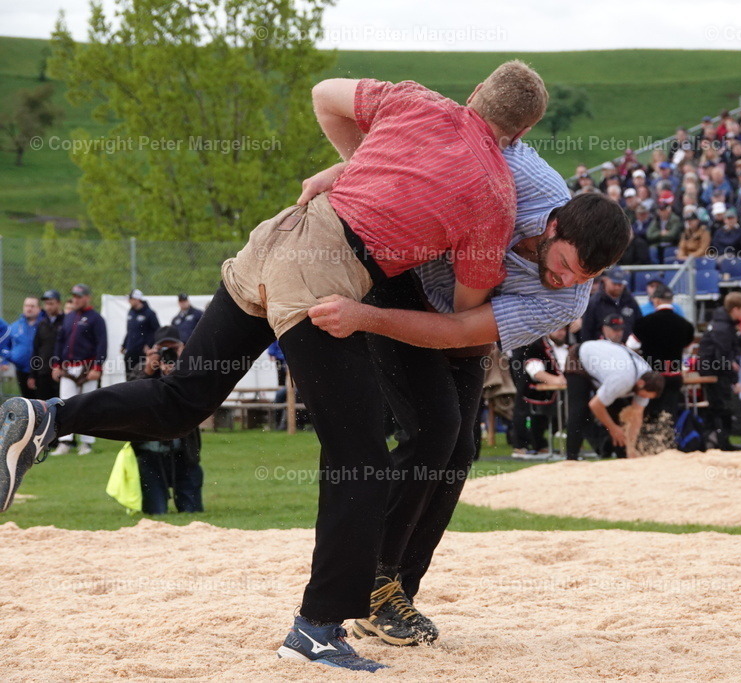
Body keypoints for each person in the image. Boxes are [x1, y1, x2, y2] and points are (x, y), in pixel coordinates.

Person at [0, 62, 552, 672]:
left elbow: (324, 95)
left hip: (278, 235)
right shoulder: (496, 192)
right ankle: (317, 627)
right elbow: (461, 313)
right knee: (360, 459)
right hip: (324, 272)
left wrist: (364, 165)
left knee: (184, 400)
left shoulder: (416, 102)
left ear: (475, 93)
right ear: (520, 132)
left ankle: (47, 417)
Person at [322, 142, 631, 645]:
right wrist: (339, 173)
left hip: (462, 321)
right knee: (434, 429)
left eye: (587, 277)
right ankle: (370, 579)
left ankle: (394, 590)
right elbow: (445, 141)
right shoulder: (530, 179)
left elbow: (460, 331)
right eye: (568, 263)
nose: (569, 280)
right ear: (553, 225)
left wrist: (374, 321)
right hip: (400, 281)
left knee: (461, 449)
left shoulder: (570, 295)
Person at [130, 326, 203, 514]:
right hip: (150, 452)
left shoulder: (191, 369)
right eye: (164, 350)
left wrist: (180, 370)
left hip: (183, 451)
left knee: (191, 511)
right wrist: (149, 370)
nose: (168, 354)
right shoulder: (142, 369)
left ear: (183, 348)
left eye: (173, 348)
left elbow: (200, 396)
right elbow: (130, 399)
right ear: (154, 351)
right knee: (156, 511)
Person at [564, 339, 663, 460]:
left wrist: (632, 448)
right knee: (579, 409)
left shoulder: (646, 377)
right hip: (579, 358)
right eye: (644, 395)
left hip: (605, 365)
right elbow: (595, 405)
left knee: (619, 414)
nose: (644, 398)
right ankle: (571, 457)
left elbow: (636, 415)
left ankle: (625, 455)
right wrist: (613, 428)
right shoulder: (622, 380)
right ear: (641, 383)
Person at [51, 284, 107, 456]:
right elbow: (60, 342)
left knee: (87, 405)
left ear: (87, 297)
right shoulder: (68, 317)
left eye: (79, 296)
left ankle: (86, 443)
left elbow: (102, 344)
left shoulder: (96, 318)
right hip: (68, 367)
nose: (75, 299)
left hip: (87, 367)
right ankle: (65, 442)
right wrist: (56, 364)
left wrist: (97, 367)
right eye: (73, 296)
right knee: (65, 404)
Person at [628, 284, 694, 419]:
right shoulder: (686, 325)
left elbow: (631, 346)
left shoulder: (644, 323)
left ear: (656, 300)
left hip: (651, 377)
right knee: (669, 416)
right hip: (674, 376)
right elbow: (687, 350)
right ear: (671, 301)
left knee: (650, 415)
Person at [697, 292, 741, 450]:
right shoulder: (723, 327)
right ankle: (720, 443)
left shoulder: (722, 323)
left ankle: (718, 441)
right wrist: (734, 379)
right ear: (735, 309)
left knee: (720, 407)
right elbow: (723, 356)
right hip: (714, 372)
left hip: (713, 369)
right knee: (722, 407)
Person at [509, 325, 569, 460]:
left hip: (531, 346)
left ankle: (538, 442)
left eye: (564, 329)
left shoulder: (566, 346)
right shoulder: (538, 346)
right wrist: (555, 379)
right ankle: (521, 444)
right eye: (559, 329)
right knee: (523, 401)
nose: (562, 332)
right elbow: (534, 368)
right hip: (524, 347)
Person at [579, 267, 640, 342]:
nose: (617, 287)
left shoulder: (630, 301)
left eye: (620, 284)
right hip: (601, 348)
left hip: (627, 347)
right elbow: (587, 331)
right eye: (614, 283)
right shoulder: (595, 302)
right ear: (605, 280)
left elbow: (639, 326)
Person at [0, 297, 41, 399]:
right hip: (21, 370)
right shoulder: (15, 326)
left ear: (39, 308)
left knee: (42, 401)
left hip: (40, 370)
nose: (29, 309)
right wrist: (5, 360)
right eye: (27, 306)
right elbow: (6, 344)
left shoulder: (43, 325)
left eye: (32, 306)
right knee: (27, 401)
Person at [30, 290, 64, 401]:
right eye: (46, 304)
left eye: (51, 303)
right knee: (43, 406)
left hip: (60, 373)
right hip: (43, 372)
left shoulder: (67, 322)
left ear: (58, 303)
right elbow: (36, 349)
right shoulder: (42, 324)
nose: (48, 307)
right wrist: (32, 375)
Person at [121, 289, 160, 375]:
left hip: (143, 351)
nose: (129, 301)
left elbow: (157, 330)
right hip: (131, 349)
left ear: (137, 299)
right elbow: (130, 331)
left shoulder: (150, 313)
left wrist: (149, 345)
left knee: (141, 375)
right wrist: (124, 345)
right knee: (129, 375)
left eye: (131, 299)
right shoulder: (130, 312)